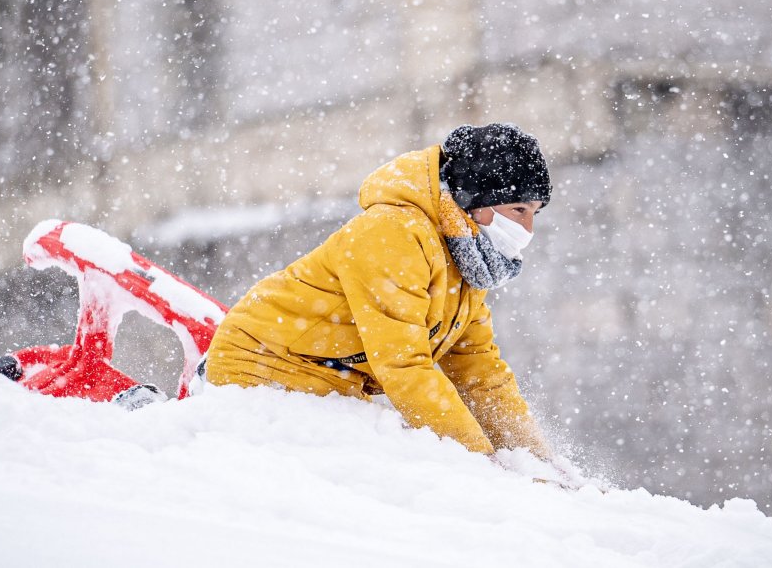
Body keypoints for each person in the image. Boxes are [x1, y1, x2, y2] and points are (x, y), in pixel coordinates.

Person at [203, 123, 554, 461]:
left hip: (330, 381)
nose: (527, 228)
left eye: (534, 213)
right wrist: (484, 463)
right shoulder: (394, 233)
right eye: (518, 209)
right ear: (471, 199)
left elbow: (480, 374)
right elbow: (404, 366)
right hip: (263, 371)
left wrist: (535, 460)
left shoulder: (463, 257)